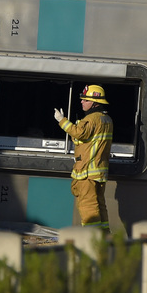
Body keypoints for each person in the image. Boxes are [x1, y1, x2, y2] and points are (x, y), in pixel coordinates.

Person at [54, 84, 113, 229]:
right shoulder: (106, 119)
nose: (82, 102)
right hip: (99, 172)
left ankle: (92, 241)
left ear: (94, 102)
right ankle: (105, 238)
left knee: (88, 209)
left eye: (85, 100)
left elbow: (78, 133)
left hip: (87, 173)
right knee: (99, 206)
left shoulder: (92, 119)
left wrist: (62, 120)